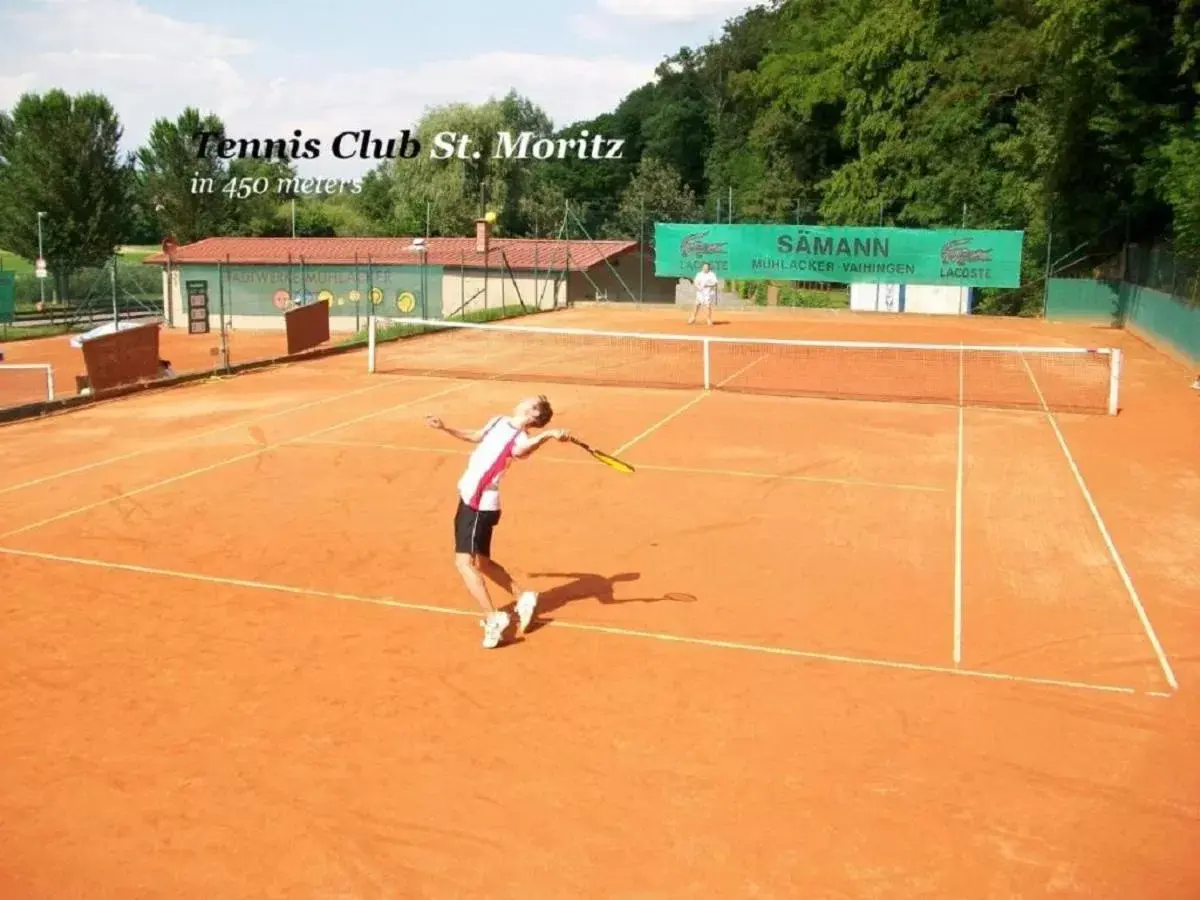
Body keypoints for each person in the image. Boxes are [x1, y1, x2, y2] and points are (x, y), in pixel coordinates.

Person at [426, 395, 570, 648]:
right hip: (471, 498)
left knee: (464, 563)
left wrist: (546, 436)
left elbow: (522, 451)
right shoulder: (498, 421)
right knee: (481, 562)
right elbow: (476, 436)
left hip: (478, 504)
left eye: (530, 401)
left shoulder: (522, 439)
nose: (523, 399)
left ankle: (493, 618)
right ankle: (523, 597)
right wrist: (446, 427)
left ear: (533, 415)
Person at [689, 261, 719, 326]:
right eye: (704, 267)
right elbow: (695, 282)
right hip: (700, 292)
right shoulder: (699, 274)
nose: (705, 268)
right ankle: (693, 317)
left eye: (707, 267)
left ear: (709, 268)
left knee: (708, 306)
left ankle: (709, 320)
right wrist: (698, 287)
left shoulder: (712, 274)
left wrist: (708, 285)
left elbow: (715, 283)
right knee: (697, 304)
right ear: (702, 267)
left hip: (708, 293)